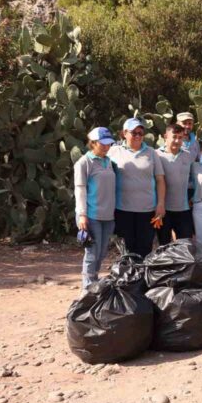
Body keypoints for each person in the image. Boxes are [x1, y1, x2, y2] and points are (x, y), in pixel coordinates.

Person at [109, 118, 166, 258]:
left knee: (145, 247)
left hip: (147, 210)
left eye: (141, 133)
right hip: (122, 209)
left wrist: (160, 204)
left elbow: (160, 180)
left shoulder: (152, 153)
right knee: (126, 249)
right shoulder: (114, 151)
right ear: (124, 133)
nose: (138, 136)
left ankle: (141, 278)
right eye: (134, 133)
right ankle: (128, 277)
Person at [74, 127, 117, 288]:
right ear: (93, 143)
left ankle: (94, 282)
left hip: (108, 215)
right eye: (102, 144)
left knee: (102, 253)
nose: (106, 147)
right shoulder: (84, 162)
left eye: (108, 144)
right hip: (91, 215)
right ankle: (87, 288)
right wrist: (82, 214)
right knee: (92, 253)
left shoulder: (109, 161)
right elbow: (80, 188)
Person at [155, 124, 196, 245]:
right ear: (165, 136)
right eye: (174, 137)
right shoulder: (156, 155)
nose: (177, 140)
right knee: (164, 246)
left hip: (183, 209)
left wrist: (194, 196)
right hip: (163, 210)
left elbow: (196, 177)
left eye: (180, 137)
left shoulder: (188, 155)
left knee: (185, 246)